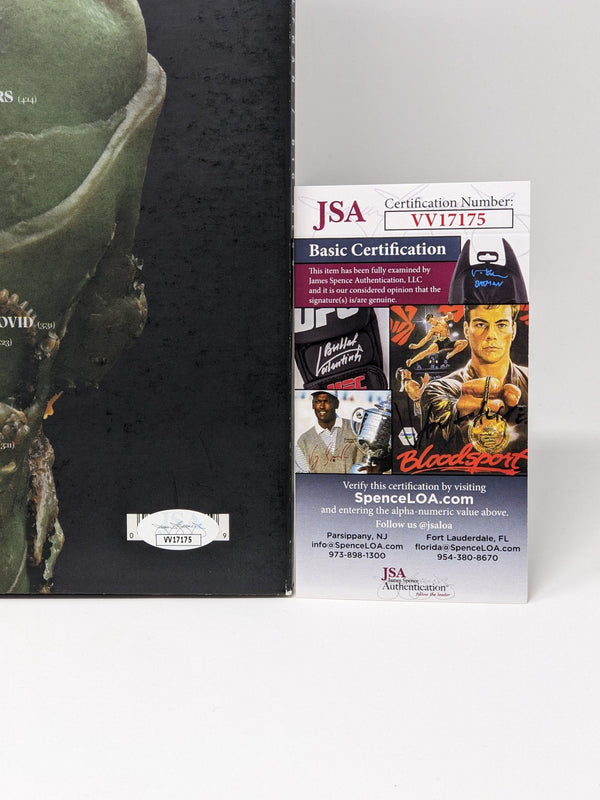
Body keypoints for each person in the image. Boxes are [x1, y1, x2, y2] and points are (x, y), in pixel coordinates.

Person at [418, 304, 528, 454]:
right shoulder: (437, 390)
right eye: (481, 324)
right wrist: (457, 416)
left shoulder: (534, 382)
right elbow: (433, 445)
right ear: (466, 330)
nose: (491, 335)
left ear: (513, 330)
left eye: (501, 325)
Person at [295, 390, 361, 473]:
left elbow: (373, 458)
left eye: (326, 401)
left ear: (337, 404)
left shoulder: (356, 429)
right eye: (318, 401)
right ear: (313, 405)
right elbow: (303, 477)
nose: (322, 406)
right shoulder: (303, 441)